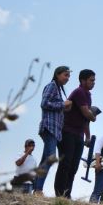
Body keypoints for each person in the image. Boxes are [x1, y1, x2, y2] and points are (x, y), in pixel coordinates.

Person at [54, 69, 97, 198]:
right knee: (65, 163)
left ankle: (67, 194)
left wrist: (88, 137)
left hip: (78, 135)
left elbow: (85, 120)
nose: (93, 83)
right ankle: (60, 194)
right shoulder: (79, 92)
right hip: (67, 132)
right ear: (83, 80)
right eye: (91, 80)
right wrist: (93, 116)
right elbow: (86, 113)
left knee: (73, 166)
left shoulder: (88, 95)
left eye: (94, 80)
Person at [33, 65, 72, 194]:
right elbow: (44, 103)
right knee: (50, 158)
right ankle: (38, 189)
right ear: (57, 74)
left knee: (45, 159)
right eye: (65, 75)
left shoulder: (58, 89)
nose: (67, 78)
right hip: (49, 127)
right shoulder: (52, 86)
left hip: (54, 129)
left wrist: (63, 108)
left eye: (69, 76)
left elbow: (53, 105)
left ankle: (36, 188)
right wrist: (63, 104)